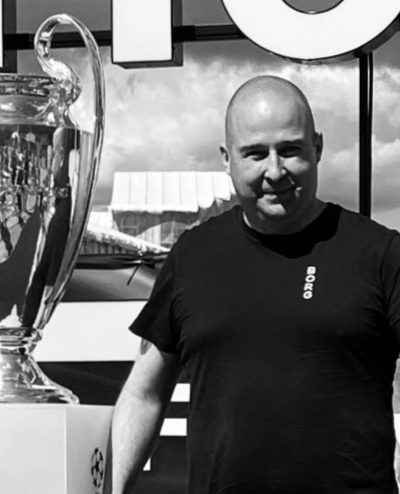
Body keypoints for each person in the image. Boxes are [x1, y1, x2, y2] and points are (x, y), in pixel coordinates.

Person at [111, 75, 400, 493]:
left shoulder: (380, 253)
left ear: (317, 147)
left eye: (290, 150)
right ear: (227, 158)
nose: (275, 171)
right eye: (256, 154)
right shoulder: (192, 256)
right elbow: (144, 394)